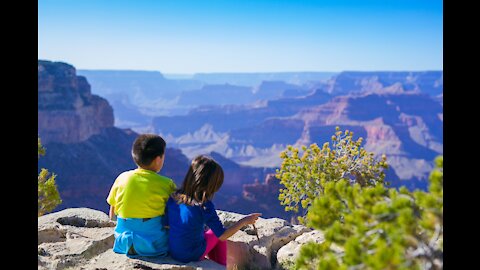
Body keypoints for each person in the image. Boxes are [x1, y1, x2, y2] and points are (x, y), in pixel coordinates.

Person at [166, 155, 261, 266]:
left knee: (209, 232)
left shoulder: (174, 197)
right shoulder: (204, 205)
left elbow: (169, 224)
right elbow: (222, 235)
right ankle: (220, 266)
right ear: (210, 184)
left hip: (174, 252)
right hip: (191, 255)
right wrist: (245, 220)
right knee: (218, 234)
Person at [106, 134, 176, 257]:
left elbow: (112, 212)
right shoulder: (167, 184)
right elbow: (177, 213)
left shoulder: (122, 178)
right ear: (158, 159)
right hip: (154, 246)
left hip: (123, 243)